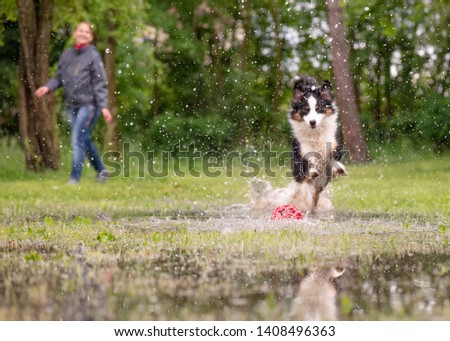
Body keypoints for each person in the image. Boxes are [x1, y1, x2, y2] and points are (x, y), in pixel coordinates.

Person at [35, 22, 112, 184]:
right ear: (75, 33)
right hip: (72, 105)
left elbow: (100, 82)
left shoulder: (93, 56)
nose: (83, 33)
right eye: (80, 30)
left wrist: (104, 106)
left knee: (77, 139)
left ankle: (74, 178)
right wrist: (47, 88)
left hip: (89, 105)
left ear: (90, 37)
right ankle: (102, 170)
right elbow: (59, 77)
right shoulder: (67, 55)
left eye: (87, 32)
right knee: (84, 138)